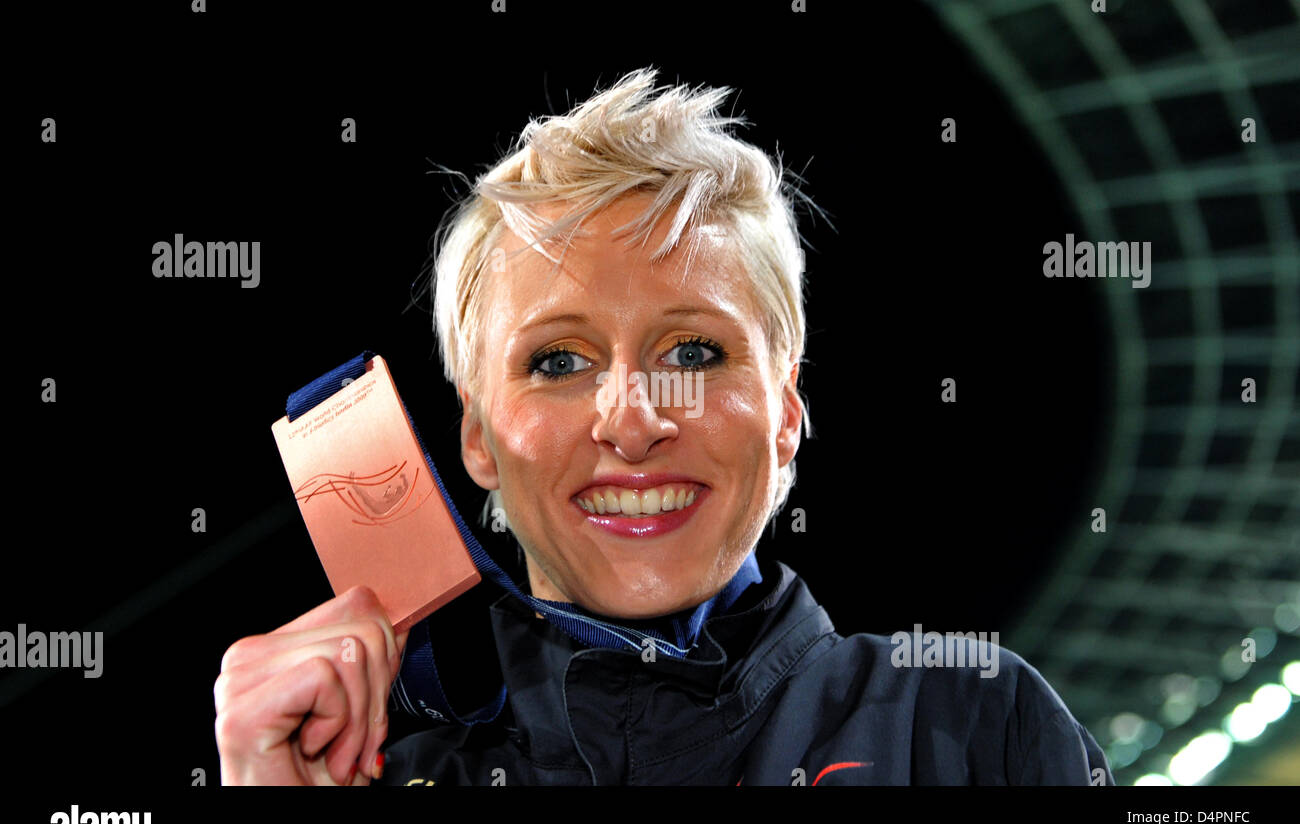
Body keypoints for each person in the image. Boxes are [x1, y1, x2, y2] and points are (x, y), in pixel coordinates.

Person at [213, 68, 1114, 786]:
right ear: (477, 438)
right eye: (559, 362)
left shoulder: (972, 729)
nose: (634, 422)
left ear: (787, 410)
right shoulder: (380, 782)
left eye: (692, 352)